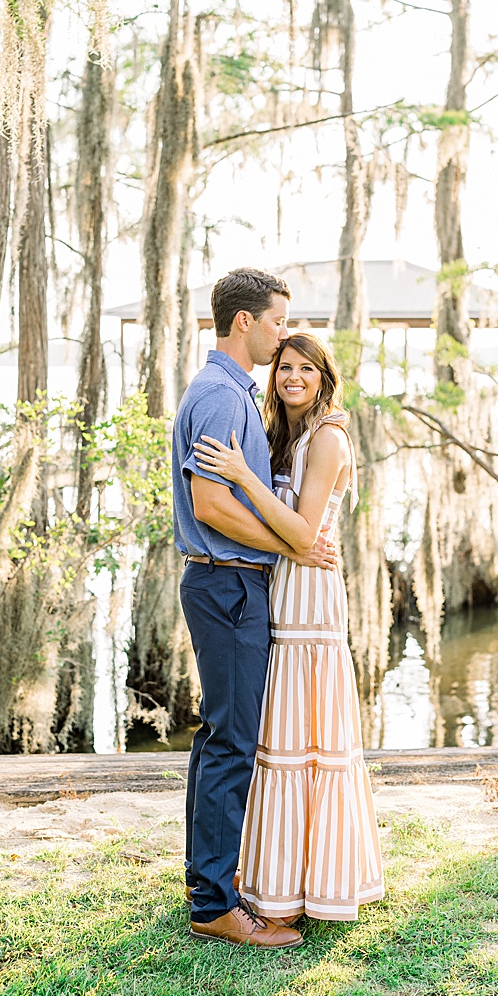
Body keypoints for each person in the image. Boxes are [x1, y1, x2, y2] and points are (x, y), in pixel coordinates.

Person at [194, 332, 386, 923]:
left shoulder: (329, 438)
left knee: (311, 742)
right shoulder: (286, 435)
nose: (292, 377)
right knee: (278, 738)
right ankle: (275, 883)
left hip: (311, 599)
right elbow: (290, 536)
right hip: (279, 589)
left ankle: (316, 887)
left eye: (306, 368)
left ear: (324, 377)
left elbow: (305, 532)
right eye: (284, 367)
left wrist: (242, 477)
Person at [171, 267, 337, 950]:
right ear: (245, 322)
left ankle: (203, 881)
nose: (281, 333)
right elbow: (211, 504)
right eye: (275, 321)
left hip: (228, 584)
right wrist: (288, 545)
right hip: (229, 585)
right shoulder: (220, 396)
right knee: (234, 740)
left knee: (218, 736)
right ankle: (215, 902)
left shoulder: (227, 393)